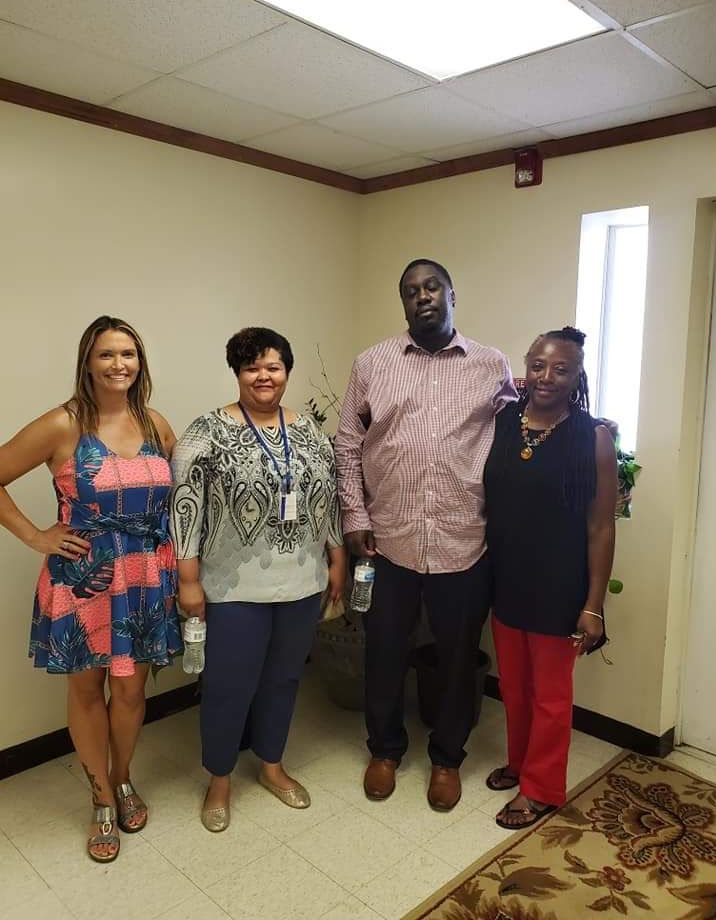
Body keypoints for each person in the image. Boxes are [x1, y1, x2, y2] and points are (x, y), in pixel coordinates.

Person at [334, 259, 516, 811]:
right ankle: (385, 750)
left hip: (465, 540)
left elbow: (517, 437)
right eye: (411, 291)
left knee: (458, 659)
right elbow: (348, 443)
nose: (423, 296)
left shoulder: (491, 365)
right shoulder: (372, 363)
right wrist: (355, 518)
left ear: (452, 294)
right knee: (385, 652)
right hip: (387, 541)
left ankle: (447, 757)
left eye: (432, 286)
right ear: (404, 303)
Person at [0, 315, 181, 863]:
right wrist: (36, 536)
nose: (119, 364)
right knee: (86, 691)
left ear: (140, 362)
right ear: (87, 361)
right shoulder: (63, 424)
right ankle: (101, 797)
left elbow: (179, 501)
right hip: (83, 582)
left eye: (129, 353)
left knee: (130, 692)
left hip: (144, 579)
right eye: (107, 354)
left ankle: (122, 778)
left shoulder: (155, 424)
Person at [170, 327, 347, 832]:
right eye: (252, 367)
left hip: (302, 581)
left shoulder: (309, 430)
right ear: (237, 373)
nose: (263, 376)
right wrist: (188, 579)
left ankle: (271, 764)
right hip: (232, 586)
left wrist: (336, 556)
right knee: (228, 685)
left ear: (286, 371)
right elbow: (185, 507)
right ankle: (220, 779)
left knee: (284, 679)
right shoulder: (206, 432)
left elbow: (327, 497)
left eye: (273, 366)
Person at [483, 326, 616, 829]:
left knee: (551, 696)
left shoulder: (592, 437)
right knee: (514, 687)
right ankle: (519, 763)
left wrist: (593, 604)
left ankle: (540, 788)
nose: (546, 377)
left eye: (561, 369)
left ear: (578, 375)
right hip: (507, 579)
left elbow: (601, 526)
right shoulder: (503, 421)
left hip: (560, 587)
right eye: (537, 365)